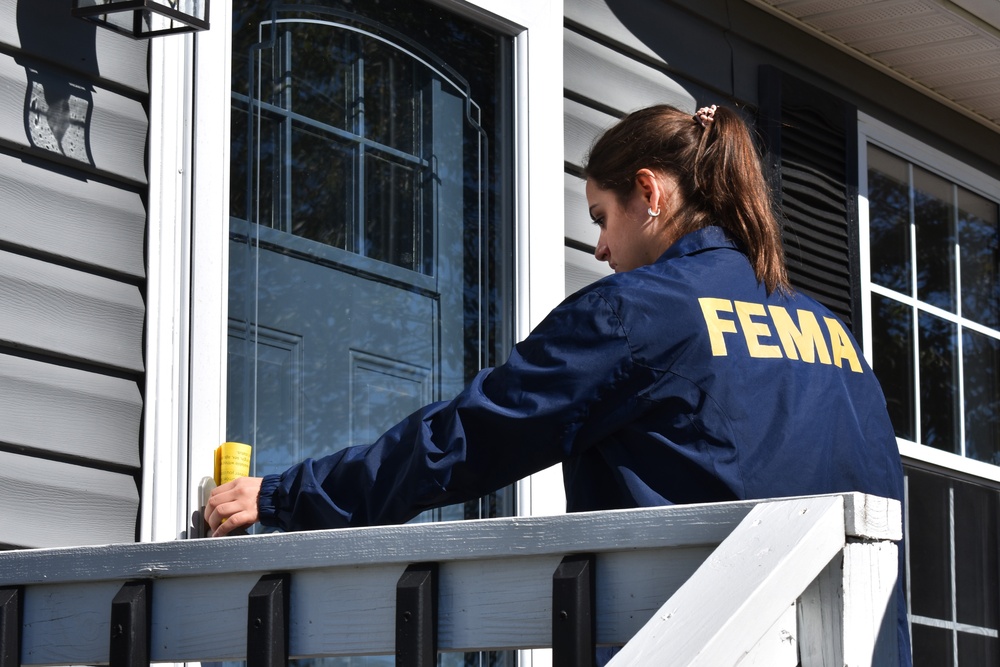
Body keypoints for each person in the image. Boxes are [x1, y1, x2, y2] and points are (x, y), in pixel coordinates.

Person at [206, 104, 910, 664]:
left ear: (649, 192)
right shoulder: (834, 336)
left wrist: (283, 494)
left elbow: (466, 437)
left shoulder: (639, 313)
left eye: (602, 217)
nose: (601, 246)